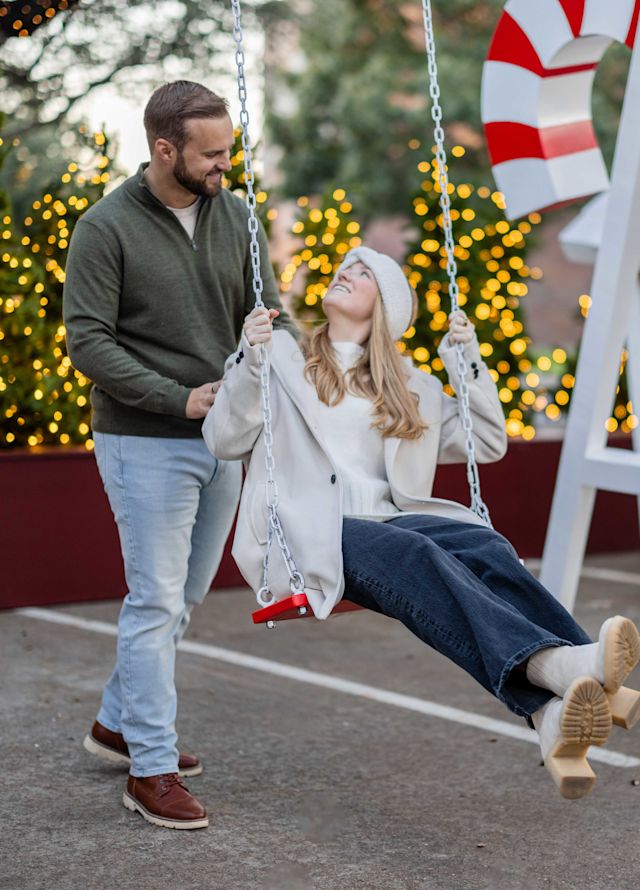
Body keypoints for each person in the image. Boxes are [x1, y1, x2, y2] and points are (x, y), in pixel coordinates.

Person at [202, 245, 640, 802]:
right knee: (418, 555)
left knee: (480, 544)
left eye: (363, 273)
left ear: (384, 307)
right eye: (345, 267)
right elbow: (222, 440)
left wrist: (467, 363)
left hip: (390, 522)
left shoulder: (414, 388)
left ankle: (553, 709)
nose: (345, 272)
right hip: (306, 533)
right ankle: (566, 666)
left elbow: (486, 442)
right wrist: (248, 360)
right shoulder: (281, 359)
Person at [63, 80, 295, 830]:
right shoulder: (105, 228)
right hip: (143, 441)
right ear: (166, 150)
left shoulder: (236, 217)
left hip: (222, 440)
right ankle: (150, 769)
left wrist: (292, 364)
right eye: (212, 154)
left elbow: (267, 312)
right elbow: (88, 342)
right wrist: (176, 396)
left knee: (184, 599)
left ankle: (114, 724)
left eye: (229, 150)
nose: (226, 165)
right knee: (156, 600)